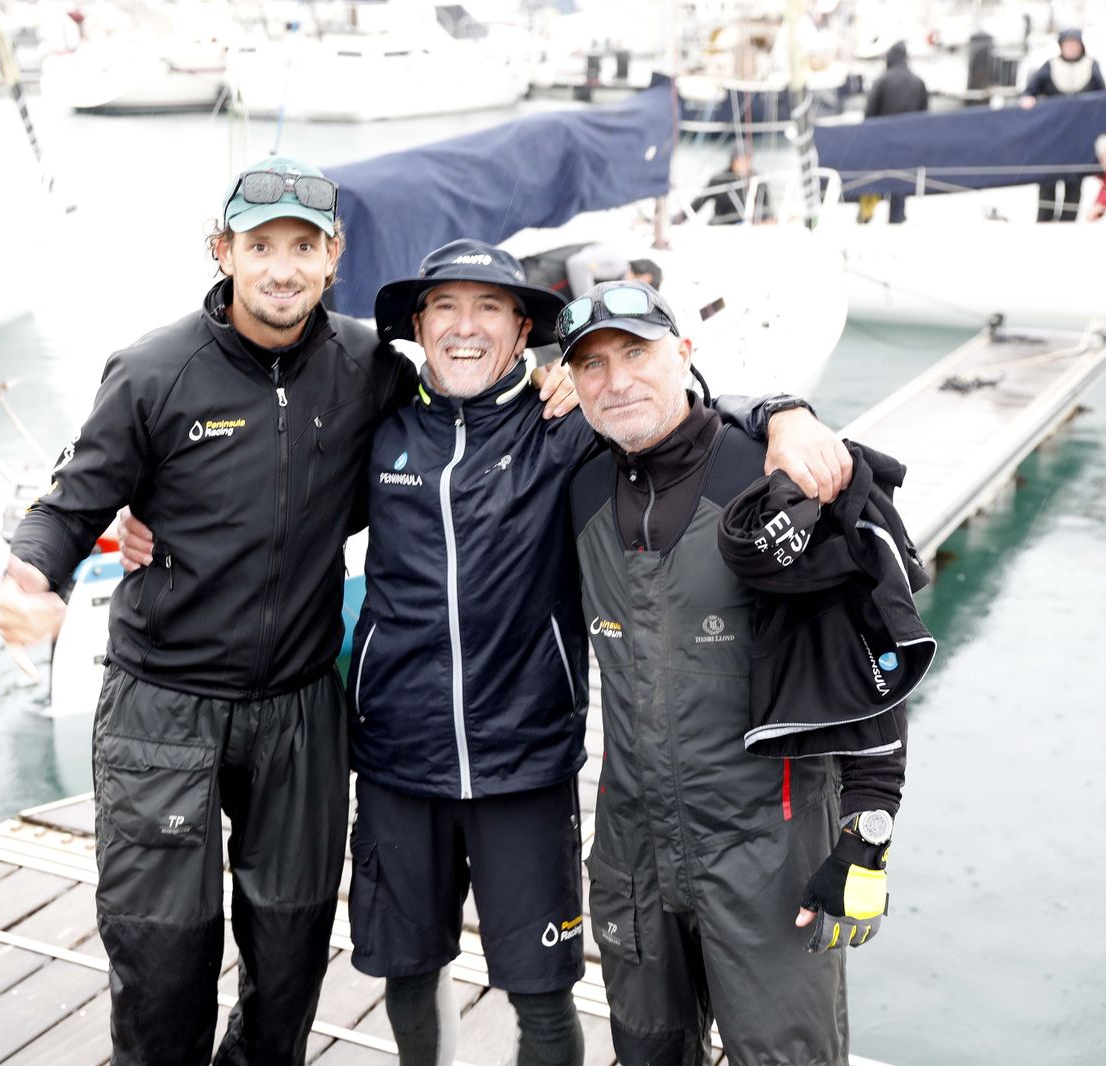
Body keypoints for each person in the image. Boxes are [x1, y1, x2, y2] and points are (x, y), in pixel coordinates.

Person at [119, 246, 853, 1062]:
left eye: (489, 309)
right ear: (418, 328)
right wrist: (152, 519)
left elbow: (673, 409)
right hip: (396, 764)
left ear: (522, 331)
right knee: (408, 972)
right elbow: (270, 477)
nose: (465, 329)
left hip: (526, 768)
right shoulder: (379, 427)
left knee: (543, 995)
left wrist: (784, 412)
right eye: (445, 309)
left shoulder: (567, 431)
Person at [0, 157, 525, 1066]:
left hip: (302, 704)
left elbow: (469, 412)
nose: (282, 267)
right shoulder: (154, 371)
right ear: (224, 253)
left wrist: (549, 382)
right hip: (165, 703)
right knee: (164, 960)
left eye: (303, 248)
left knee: (289, 956)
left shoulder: (369, 367)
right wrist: (29, 577)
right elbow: (71, 503)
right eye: (262, 246)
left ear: (333, 260)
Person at [560, 280, 913, 1064]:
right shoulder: (580, 484)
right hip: (632, 844)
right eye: (590, 365)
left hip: (768, 844)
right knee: (647, 1049)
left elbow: (873, 661)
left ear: (684, 353)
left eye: (636, 354)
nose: (616, 381)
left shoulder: (773, 476)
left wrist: (867, 834)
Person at [1019, 29, 1106, 223]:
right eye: (1067, 44)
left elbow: (1103, 97)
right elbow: (1030, 91)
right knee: (1048, 181)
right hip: (1052, 137)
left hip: (1080, 137)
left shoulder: (1092, 66)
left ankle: (1068, 224)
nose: (1071, 48)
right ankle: (1044, 223)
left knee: (1074, 183)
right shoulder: (1049, 66)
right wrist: (1028, 98)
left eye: (1075, 44)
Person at [859, 41, 928, 225]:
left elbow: (869, 114)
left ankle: (865, 216)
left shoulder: (882, 81)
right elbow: (924, 115)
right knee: (900, 180)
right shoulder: (918, 82)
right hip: (908, 143)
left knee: (874, 180)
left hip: (882, 142)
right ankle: (897, 216)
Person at [518, 242, 661, 301]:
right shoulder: (618, 263)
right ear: (645, 277)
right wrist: (591, 304)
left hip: (538, 287)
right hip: (533, 276)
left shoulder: (614, 281)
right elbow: (578, 264)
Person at [690, 149, 771, 226]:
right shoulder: (719, 179)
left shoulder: (758, 180)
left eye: (746, 159)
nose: (743, 164)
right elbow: (697, 204)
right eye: (739, 160)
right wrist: (678, 221)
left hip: (747, 226)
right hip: (721, 226)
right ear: (732, 161)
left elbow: (766, 208)